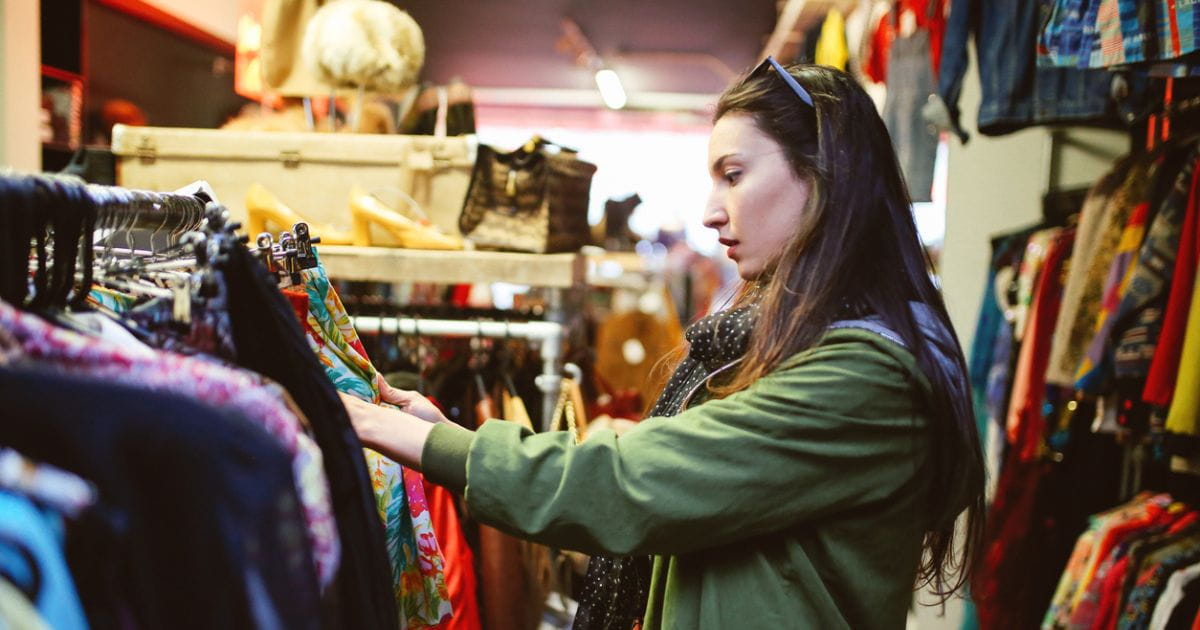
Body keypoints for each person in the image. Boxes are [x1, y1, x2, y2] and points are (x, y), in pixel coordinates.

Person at [340, 59, 986, 629]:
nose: (710, 211)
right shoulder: (795, 344)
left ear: (824, 176)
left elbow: (629, 485)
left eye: (734, 175)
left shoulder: (862, 375)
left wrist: (430, 443)